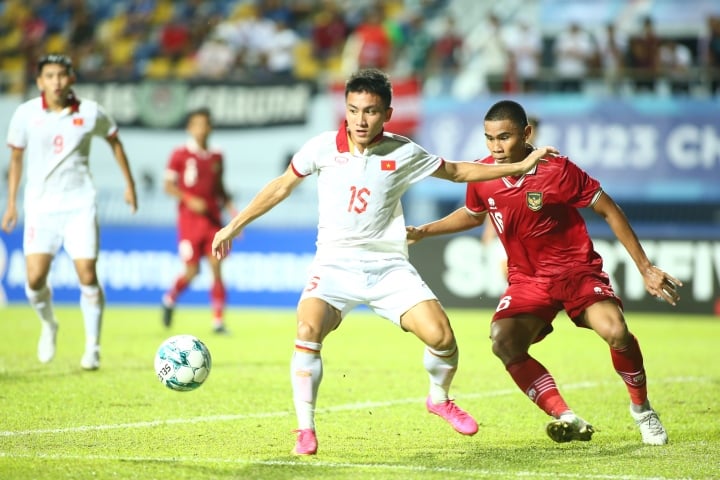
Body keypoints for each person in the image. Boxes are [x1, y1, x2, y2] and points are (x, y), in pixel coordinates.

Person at [211, 69, 552, 455]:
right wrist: (233, 226)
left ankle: (438, 399)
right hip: (335, 266)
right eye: (353, 109)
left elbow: (458, 172)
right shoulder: (322, 148)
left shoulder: (403, 151)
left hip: (388, 267)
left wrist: (518, 167)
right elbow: (280, 186)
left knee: (442, 337)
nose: (360, 119)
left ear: (386, 113)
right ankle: (305, 430)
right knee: (307, 328)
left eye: (370, 111)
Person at [406, 100, 681, 446]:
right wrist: (425, 231)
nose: (496, 147)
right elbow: (475, 215)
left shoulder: (558, 169)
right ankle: (566, 416)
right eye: (489, 138)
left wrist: (646, 267)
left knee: (616, 331)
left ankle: (642, 411)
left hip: (577, 273)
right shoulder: (483, 175)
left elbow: (608, 209)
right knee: (503, 341)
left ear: (526, 134)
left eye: (504, 137)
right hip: (528, 280)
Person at [1, 53, 138, 370]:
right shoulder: (25, 115)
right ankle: (49, 325)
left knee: (87, 274)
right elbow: (16, 160)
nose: (56, 82)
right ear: (40, 81)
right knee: (34, 279)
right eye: (49, 76)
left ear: (71, 78)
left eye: (62, 75)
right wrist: (10, 203)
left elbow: (115, 142)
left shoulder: (90, 112)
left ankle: (93, 348)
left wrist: (129, 185)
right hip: (40, 207)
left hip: (80, 204)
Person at [161, 107, 235, 334]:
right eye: (197, 125)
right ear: (190, 128)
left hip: (213, 221)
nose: (201, 129)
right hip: (189, 222)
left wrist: (234, 216)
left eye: (205, 124)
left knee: (216, 265)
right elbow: (168, 186)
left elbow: (221, 188)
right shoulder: (179, 154)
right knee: (192, 271)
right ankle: (170, 298)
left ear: (210, 127)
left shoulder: (217, 156)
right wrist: (188, 199)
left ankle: (218, 321)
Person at [481, 114, 541, 281]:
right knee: (510, 275)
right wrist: (489, 230)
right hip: (508, 230)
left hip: (534, 231)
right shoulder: (500, 161)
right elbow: (493, 197)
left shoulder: (544, 162)